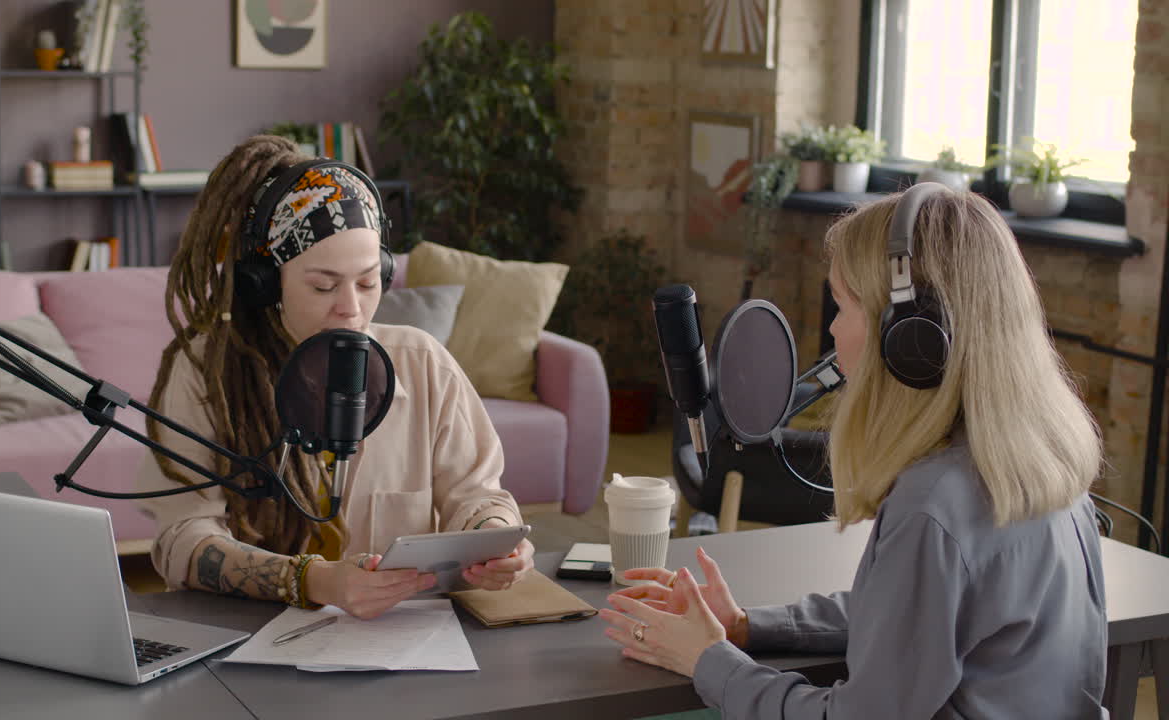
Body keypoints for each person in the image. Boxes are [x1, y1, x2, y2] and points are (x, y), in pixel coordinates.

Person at [601, 185, 1108, 718]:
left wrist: (709, 660)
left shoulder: (932, 507)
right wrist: (749, 626)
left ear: (912, 337)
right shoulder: (1045, 465)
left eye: (842, 306)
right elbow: (911, 621)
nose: (833, 330)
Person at [136, 135, 533, 619]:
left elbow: (477, 496)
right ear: (264, 282)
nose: (351, 309)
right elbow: (181, 543)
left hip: (402, 646)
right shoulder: (205, 373)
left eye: (368, 282)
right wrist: (313, 581)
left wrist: (496, 541)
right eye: (323, 286)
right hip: (251, 647)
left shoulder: (423, 362)